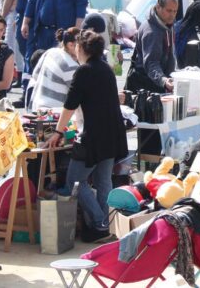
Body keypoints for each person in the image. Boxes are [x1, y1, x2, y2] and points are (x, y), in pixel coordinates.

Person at [46, 30, 128, 242]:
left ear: (82, 49)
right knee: (103, 182)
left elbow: (69, 105)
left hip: (93, 136)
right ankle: (103, 229)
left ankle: (100, 222)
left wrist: (57, 131)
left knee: (75, 181)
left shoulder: (84, 72)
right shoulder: (106, 69)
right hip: (112, 134)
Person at [125, 0, 179, 93]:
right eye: (169, 10)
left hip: (159, 82)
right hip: (146, 86)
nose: (172, 15)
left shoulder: (167, 24)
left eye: (175, 11)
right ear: (158, 7)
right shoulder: (152, 32)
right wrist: (164, 80)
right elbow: (151, 63)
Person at [29, 27, 81, 112]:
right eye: (81, 45)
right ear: (71, 45)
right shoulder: (71, 66)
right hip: (54, 114)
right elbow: (79, 95)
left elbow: (35, 76)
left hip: (36, 107)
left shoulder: (50, 52)